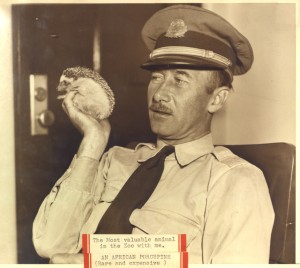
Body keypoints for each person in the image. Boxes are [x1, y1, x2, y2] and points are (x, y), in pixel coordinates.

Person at [33, 5, 274, 264]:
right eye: (157, 77)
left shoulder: (235, 181)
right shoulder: (114, 160)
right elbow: (50, 244)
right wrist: (93, 140)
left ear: (216, 99)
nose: (159, 93)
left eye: (180, 80)